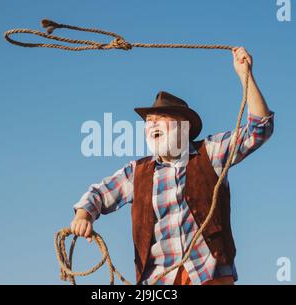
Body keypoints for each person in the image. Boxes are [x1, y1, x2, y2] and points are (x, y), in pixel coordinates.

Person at [70, 47, 274, 285]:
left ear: (183, 126)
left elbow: (260, 129)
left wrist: (245, 75)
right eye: (149, 122)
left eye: (161, 119)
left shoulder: (210, 153)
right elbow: (98, 194)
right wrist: (84, 216)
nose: (152, 125)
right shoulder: (137, 173)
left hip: (207, 276)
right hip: (158, 281)